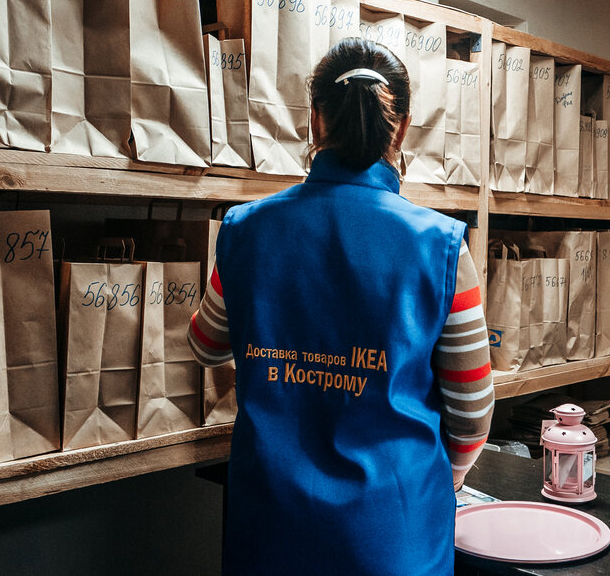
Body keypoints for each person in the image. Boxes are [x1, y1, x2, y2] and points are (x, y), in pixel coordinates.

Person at [187, 37, 493, 575]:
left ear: (314, 121)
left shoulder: (245, 229)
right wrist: (449, 478)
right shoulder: (441, 245)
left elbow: (206, 346)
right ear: (401, 128)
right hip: (392, 535)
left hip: (271, 527)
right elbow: (470, 414)